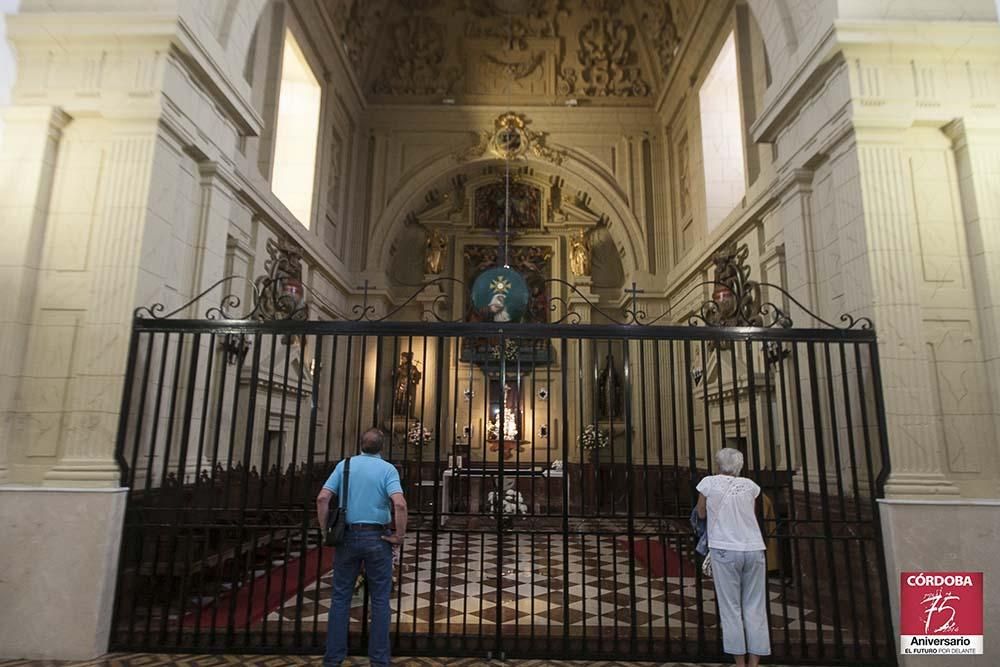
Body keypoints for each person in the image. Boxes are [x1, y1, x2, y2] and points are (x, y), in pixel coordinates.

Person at [316, 428, 408, 667]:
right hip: (377, 538)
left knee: (340, 598)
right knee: (379, 600)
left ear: (361, 444)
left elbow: (323, 498)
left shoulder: (345, 465)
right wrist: (399, 535)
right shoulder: (387, 469)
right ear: (381, 447)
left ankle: (333, 657)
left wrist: (325, 528)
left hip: (347, 537)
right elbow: (399, 504)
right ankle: (379, 659)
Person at [696, 447, 770, 667]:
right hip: (754, 547)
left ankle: (739, 663)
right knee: (755, 606)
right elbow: (751, 513)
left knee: (731, 608)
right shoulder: (750, 486)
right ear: (740, 466)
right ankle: (754, 663)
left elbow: (700, 513)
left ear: (718, 465)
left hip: (724, 548)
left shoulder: (708, 483)